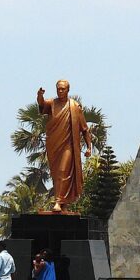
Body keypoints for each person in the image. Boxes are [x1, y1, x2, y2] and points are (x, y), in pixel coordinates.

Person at [37, 80, 92, 213]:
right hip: (54, 144)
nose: (60, 91)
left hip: (68, 145)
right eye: (58, 89)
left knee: (63, 171)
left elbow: (84, 129)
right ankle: (64, 204)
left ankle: (58, 201)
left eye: (63, 89)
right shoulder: (52, 103)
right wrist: (40, 96)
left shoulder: (75, 107)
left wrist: (89, 147)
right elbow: (42, 104)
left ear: (68, 90)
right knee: (56, 174)